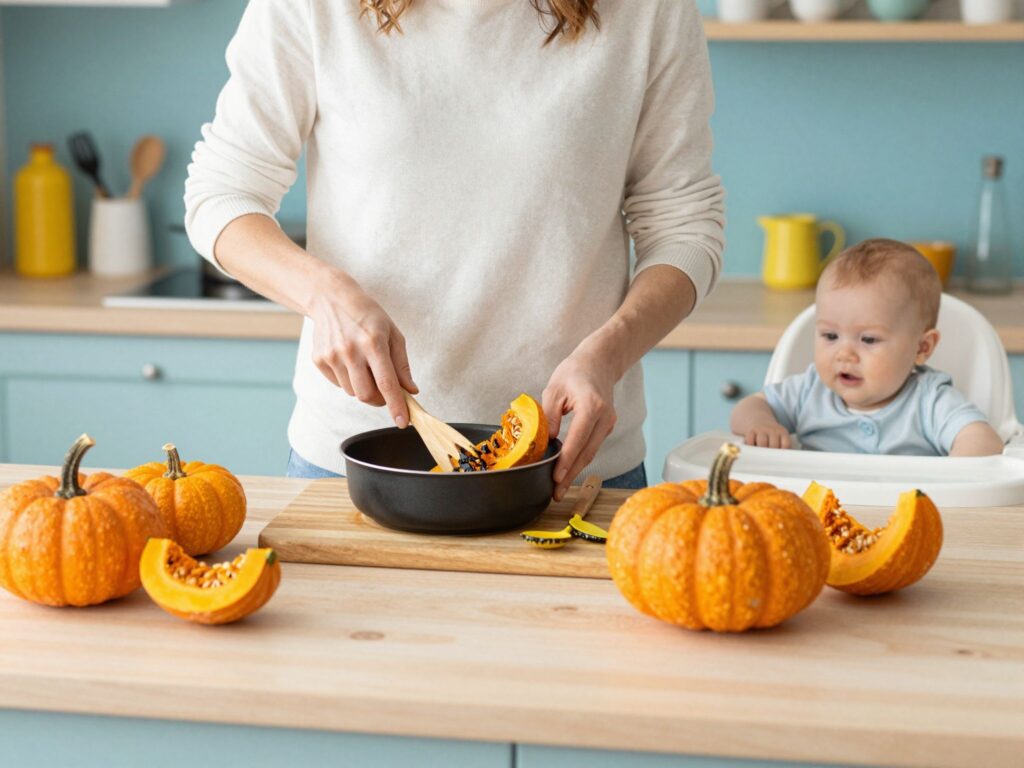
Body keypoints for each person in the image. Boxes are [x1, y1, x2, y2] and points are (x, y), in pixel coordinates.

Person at [184, 0, 725, 500]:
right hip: (358, 460)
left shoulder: (650, 9)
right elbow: (222, 193)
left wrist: (612, 352)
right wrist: (324, 294)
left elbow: (685, 224)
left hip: (573, 466)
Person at [730, 239, 1004, 457]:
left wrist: (957, 475)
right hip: (819, 518)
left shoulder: (929, 400)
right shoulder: (808, 392)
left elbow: (982, 440)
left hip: (906, 518)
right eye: (830, 335)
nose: (844, 354)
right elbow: (748, 407)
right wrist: (761, 424)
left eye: (869, 340)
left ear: (922, 347)